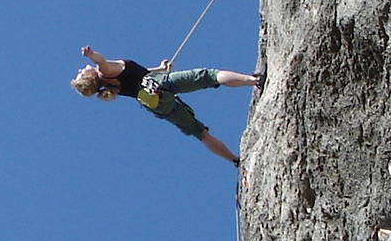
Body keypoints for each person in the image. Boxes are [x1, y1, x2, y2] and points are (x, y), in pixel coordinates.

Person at [72, 46, 260, 164]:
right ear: (91, 77)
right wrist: (91, 55)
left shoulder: (109, 87)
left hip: (156, 105)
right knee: (209, 76)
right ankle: (254, 80)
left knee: (199, 132)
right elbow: (100, 59)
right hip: (158, 84)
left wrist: (159, 69)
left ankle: (235, 160)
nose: (81, 69)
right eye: (81, 73)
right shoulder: (103, 70)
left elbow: (138, 75)